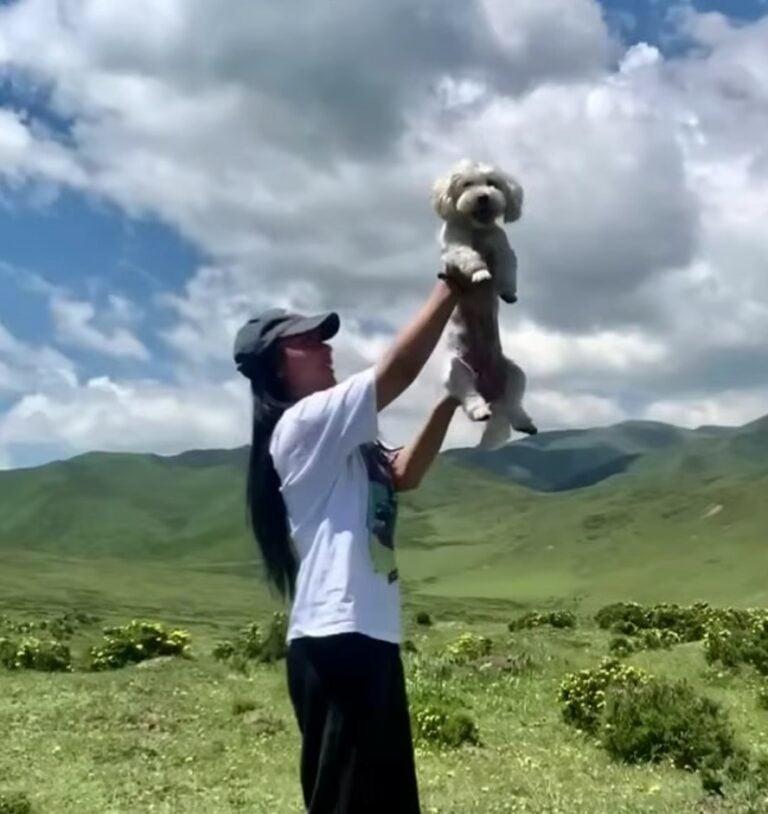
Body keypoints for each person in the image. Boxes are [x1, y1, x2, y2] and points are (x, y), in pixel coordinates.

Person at [232, 276, 467, 813]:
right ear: (275, 366)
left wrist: (451, 399)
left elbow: (403, 474)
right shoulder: (303, 423)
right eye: (308, 341)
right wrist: (452, 284)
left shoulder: (343, 440)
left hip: (367, 634)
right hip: (337, 639)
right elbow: (397, 372)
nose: (326, 347)